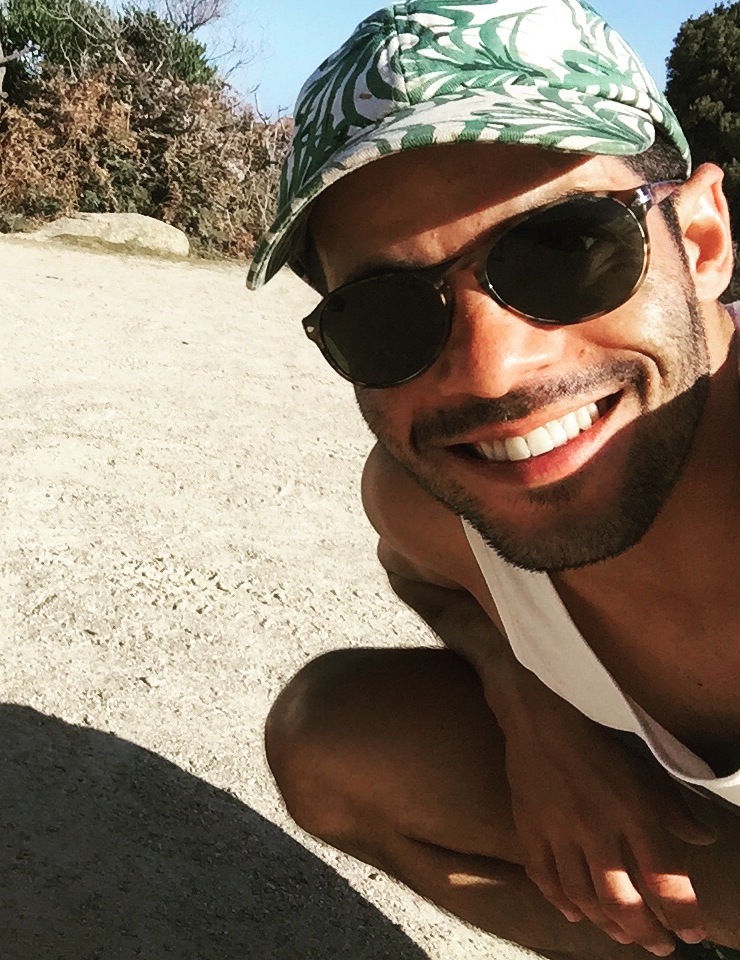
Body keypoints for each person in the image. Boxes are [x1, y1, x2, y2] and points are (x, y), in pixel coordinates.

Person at [250, 2, 740, 958]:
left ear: (705, 241)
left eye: (566, 250)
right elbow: (416, 567)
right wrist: (539, 713)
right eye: (387, 312)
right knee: (332, 739)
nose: (490, 371)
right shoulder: (426, 503)